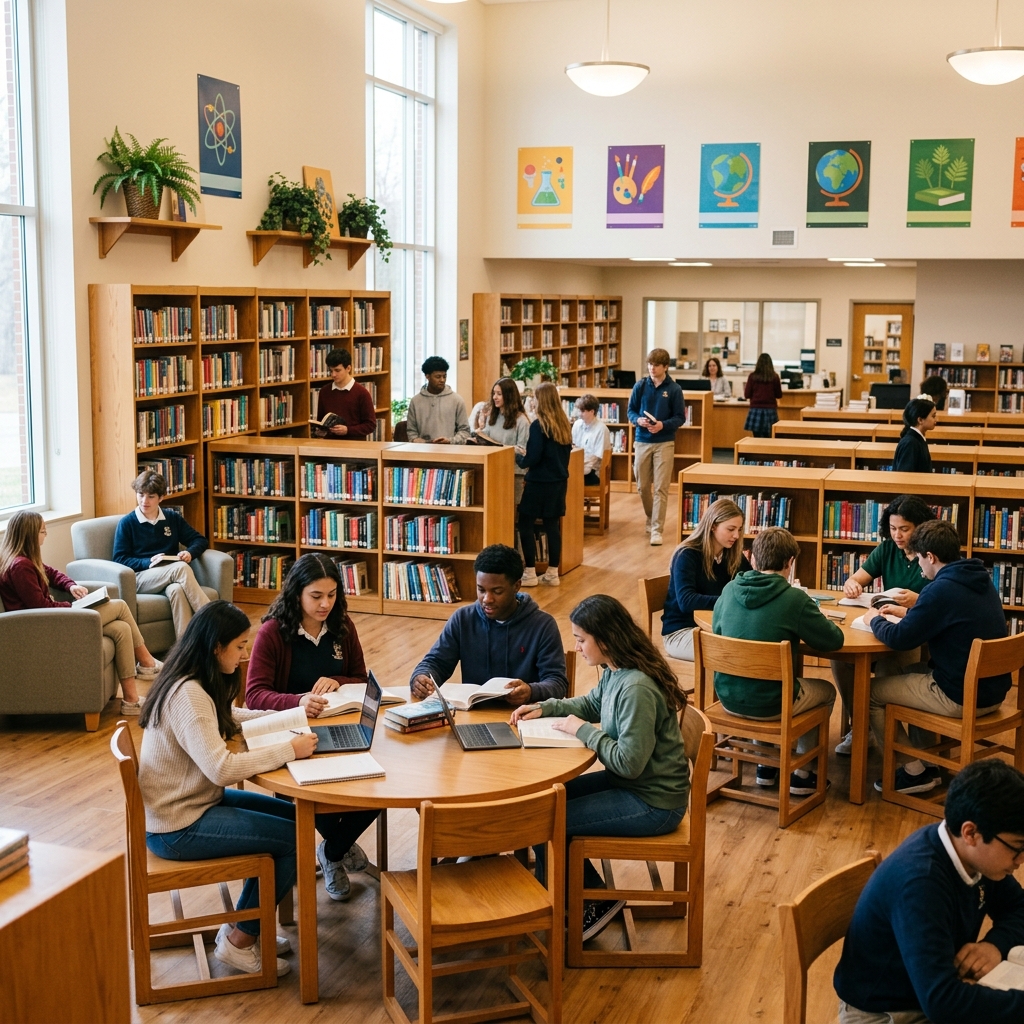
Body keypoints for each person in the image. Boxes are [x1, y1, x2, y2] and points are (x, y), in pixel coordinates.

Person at [139, 601, 319, 978]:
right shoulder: (187, 696)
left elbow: (227, 715)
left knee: (295, 817)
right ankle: (242, 940)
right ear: (215, 647)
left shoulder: (193, 681)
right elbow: (221, 769)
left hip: (190, 806)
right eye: (239, 646)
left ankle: (245, 922)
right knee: (294, 837)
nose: (245, 654)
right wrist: (288, 748)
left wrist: (279, 719)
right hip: (178, 827)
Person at [510, 594, 690, 941]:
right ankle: (587, 899)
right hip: (636, 787)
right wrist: (546, 707)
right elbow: (592, 703)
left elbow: (629, 763)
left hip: (654, 803)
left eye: (580, 639)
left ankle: (573, 909)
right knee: (542, 804)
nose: (576, 647)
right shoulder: (615, 669)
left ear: (604, 641)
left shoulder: (636, 687)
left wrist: (584, 731)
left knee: (546, 821)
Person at [833, 759, 1024, 1023]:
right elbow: (944, 1004)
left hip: (929, 991)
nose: (1020, 860)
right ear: (971, 833)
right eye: (1017, 847)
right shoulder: (921, 883)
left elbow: (1018, 907)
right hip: (886, 1014)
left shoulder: (973, 855)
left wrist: (995, 944)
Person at [245, 553, 378, 900]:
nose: (325, 604)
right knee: (311, 794)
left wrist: (336, 680)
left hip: (339, 724)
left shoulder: (342, 625)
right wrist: (298, 701)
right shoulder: (273, 632)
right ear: (296, 594)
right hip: (291, 736)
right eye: (316, 596)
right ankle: (338, 849)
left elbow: (359, 678)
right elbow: (254, 695)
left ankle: (332, 849)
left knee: (379, 782)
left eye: (332, 595)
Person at [862, 519, 1011, 796]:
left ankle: (913, 771)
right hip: (992, 691)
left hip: (960, 695)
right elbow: (949, 618)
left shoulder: (939, 589)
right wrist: (907, 614)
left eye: (919, 559)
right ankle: (926, 759)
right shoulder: (977, 579)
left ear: (931, 557)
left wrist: (873, 620)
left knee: (868, 693)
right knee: (907, 670)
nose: (918, 566)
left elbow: (899, 639)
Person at [712, 527, 843, 796]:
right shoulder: (794, 599)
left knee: (763, 679)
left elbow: (718, 632)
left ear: (753, 559)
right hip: (771, 704)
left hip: (727, 697)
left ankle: (765, 766)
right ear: (790, 563)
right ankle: (802, 774)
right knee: (826, 692)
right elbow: (833, 641)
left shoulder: (728, 590)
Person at [0, 510, 161, 716]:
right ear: (29, 535)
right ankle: (147, 663)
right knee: (119, 605)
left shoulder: (26, 559)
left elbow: (53, 573)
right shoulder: (20, 566)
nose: (45, 535)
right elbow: (39, 606)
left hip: (51, 619)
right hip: (40, 628)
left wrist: (71, 585)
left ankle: (130, 700)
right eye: (42, 531)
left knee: (120, 628)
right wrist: (73, 607)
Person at [831, 494, 937, 755]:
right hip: (881, 625)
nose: (897, 535)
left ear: (919, 527)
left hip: (914, 632)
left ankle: (890, 736)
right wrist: (852, 584)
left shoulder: (932, 554)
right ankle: (863, 725)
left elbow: (943, 600)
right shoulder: (888, 548)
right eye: (892, 529)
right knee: (841, 661)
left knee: (889, 666)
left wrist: (917, 600)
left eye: (904, 529)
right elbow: (858, 578)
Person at [409, 543, 568, 706]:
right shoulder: (463, 619)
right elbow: (436, 662)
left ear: (516, 586)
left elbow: (557, 683)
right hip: (473, 715)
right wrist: (421, 677)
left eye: (497, 591)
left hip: (522, 716)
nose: (487, 599)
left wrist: (531, 691)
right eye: (481, 590)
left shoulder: (542, 625)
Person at [112, 469, 210, 639]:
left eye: (151, 496)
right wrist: (148, 562)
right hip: (140, 577)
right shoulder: (127, 523)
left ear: (161, 497)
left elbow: (199, 540)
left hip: (170, 576)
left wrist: (189, 553)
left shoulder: (172, 518)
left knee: (177, 590)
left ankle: (184, 650)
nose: (144, 501)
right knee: (180, 569)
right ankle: (213, 619)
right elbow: (120, 559)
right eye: (141, 494)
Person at [661, 498, 750, 663]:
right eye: (731, 529)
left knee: (755, 646)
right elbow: (686, 601)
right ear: (713, 526)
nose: (736, 536)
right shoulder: (687, 555)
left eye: (739, 529)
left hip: (716, 627)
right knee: (735, 656)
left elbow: (751, 582)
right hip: (682, 632)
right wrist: (729, 602)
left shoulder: (732, 555)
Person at [516, 382, 573, 587]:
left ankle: (530, 572)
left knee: (525, 524)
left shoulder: (538, 425)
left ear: (541, 400)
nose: (532, 401)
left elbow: (533, 457)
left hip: (538, 482)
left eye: (535, 398)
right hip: (558, 482)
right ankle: (552, 573)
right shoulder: (564, 424)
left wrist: (519, 458)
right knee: (552, 526)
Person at [627, 348, 685, 547]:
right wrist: (638, 420)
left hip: (665, 442)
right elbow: (631, 411)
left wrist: (663, 425)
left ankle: (656, 529)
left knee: (661, 487)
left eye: (656, 365)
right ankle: (651, 517)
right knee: (643, 487)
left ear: (665, 367)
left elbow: (680, 417)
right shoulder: (640, 386)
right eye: (650, 364)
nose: (652, 368)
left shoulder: (675, 389)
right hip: (642, 440)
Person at [478, 377, 531, 506]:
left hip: (513, 472)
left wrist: (501, 447)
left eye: (499, 394)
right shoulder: (493, 417)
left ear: (509, 396)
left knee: (509, 508)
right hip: (494, 469)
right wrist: (478, 434)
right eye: (494, 394)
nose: (495, 397)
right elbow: (486, 437)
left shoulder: (521, 420)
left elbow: (523, 450)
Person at [313, 348, 376, 441]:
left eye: (337, 370)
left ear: (348, 368)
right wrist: (319, 431)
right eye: (331, 371)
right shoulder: (324, 391)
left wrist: (348, 430)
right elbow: (321, 421)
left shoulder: (362, 393)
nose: (333, 374)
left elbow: (370, 425)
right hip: (330, 446)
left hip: (354, 447)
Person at [406, 356, 471, 445]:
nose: (442, 380)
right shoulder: (415, 401)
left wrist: (450, 440)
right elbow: (411, 431)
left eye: (444, 376)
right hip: (423, 451)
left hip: (450, 452)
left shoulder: (457, 400)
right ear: (427, 376)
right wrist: (415, 439)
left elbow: (465, 431)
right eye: (438, 377)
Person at [571, 393, 611, 486]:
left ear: (592, 411)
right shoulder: (577, 425)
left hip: (593, 472)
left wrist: (579, 466)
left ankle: (575, 500)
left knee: (569, 481)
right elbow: (573, 447)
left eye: (582, 411)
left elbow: (595, 458)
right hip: (578, 466)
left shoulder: (601, 429)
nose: (579, 414)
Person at [743, 353, 783, 439]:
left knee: (757, 437)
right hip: (770, 411)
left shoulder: (752, 376)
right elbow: (779, 395)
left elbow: (747, 394)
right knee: (769, 437)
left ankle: (757, 451)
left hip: (755, 410)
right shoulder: (775, 377)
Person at [893, 398, 936, 474]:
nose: (936, 420)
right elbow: (904, 476)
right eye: (933, 416)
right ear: (920, 420)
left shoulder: (918, 438)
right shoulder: (910, 443)